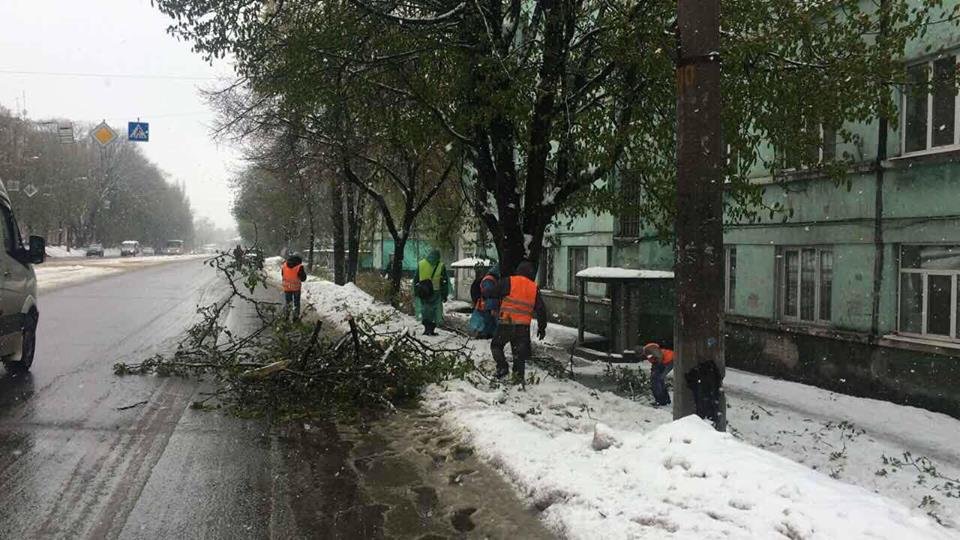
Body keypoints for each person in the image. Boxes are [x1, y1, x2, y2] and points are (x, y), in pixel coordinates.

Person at [491, 261, 547, 382]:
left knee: (496, 345)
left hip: (507, 322)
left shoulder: (509, 281)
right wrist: (542, 328)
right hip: (523, 327)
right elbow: (541, 309)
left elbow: (493, 292)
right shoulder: (533, 287)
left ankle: (502, 367)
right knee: (519, 355)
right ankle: (518, 379)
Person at [414, 250, 448, 336]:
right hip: (436, 292)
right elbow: (444, 282)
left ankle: (426, 329)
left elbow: (416, 279)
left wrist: (416, 291)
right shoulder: (441, 265)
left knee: (425, 310)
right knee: (435, 312)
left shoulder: (421, 264)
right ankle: (431, 329)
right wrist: (444, 294)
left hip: (424, 292)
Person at [468, 264, 500, 339]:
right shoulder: (490, 279)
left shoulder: (490, 278)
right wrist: (493, 307)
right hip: (488, 304)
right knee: (487, 321)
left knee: (487, 321)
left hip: (486, 304)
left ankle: (486, 335)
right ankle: (484, 335)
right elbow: (489, 293)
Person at [643, 342, 675, 407]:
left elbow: (659, 357)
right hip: (668, 360)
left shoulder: (649, 350)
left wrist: (657, 367)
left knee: (657, 380)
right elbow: (655, 360)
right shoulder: (649, 352)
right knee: (659, 380)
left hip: (670, 360)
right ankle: (665, 400)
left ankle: (661, 401)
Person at [281, 251, 307, 321]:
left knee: (288, 302)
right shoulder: (299, 266)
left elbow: (282, 274)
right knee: (296, 303)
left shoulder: (284, 264)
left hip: (287, 287)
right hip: (296, 288)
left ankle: (286, 316)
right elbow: (303, 278)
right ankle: (295, 317)